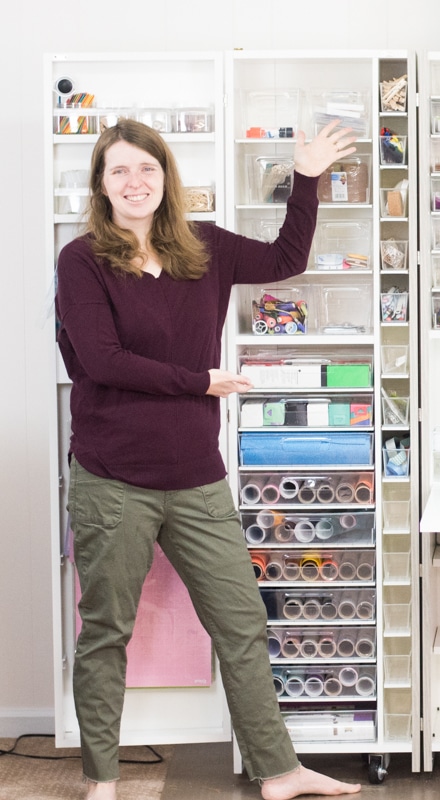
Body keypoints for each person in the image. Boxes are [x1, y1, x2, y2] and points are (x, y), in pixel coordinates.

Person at [55, 117, 363, 800]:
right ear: (102, 187)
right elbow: (102, 361)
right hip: (112, 478)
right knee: (107, 630)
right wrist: (200, 381)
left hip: (194, 475)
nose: (135, 182)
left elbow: (287, 260)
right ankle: (101, 780)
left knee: (242, 623)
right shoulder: (82, 260)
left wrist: (306, 178)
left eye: (147, 168)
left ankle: (279, 770)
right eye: (119, 172)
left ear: (167, 177)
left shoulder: (205, 248)